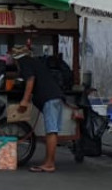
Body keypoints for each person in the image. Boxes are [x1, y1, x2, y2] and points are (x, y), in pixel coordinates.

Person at [14, 39, 71, 173]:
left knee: (51, 131)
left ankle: (49, 164)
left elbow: (30, 80)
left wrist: (25, 100)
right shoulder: (34, 61)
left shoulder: (24, 62)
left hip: (49, 98)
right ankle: (48, 162)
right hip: (55, 96)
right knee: (53, 131)